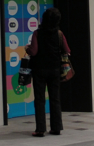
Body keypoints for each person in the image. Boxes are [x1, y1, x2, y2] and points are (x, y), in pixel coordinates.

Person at [25, 7, 70, 137]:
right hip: (55, 69)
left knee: (39, 99)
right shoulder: (59, 34)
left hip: (39, 70)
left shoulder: (37, 33)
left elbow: (34, 51)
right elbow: (67, 50)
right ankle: (56, 128)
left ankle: (40, 129)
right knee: (55, 98)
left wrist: (27, 48)